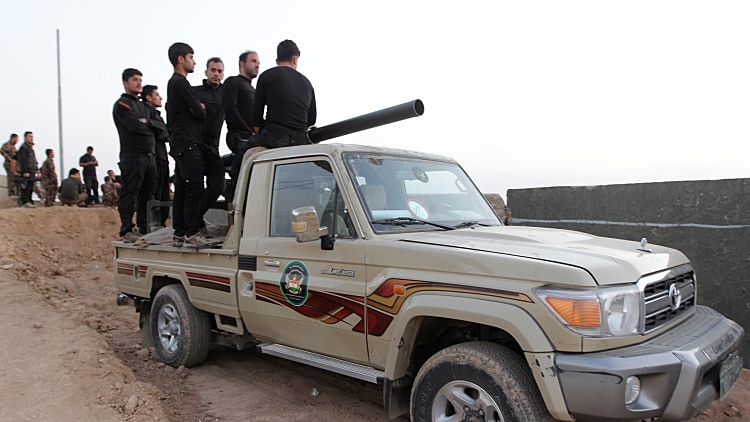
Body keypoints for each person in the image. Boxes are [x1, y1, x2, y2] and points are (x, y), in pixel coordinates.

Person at [166, 42, 209, 247]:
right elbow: (200, 112)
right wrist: (200, 108)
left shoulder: (175, 84)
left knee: (183, 188)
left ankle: (179, 232)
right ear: (181, 59)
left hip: (181, 143)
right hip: (187, 142)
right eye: (191, 57)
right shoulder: (180, 83)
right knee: (194, 187)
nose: (194, 62)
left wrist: (197, 108)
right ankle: (192, 233)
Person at [112, 68, 158, 242]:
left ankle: (144, 228)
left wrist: (149, 123)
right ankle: (127, 229)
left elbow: (162, 129)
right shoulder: (122, 105)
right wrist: (150, 126)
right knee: (130, 193)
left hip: (150, 156)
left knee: (148, 195)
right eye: (134, 79)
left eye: (140, 79)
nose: (138, 83)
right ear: (125, 83)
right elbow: (135, 127)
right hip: (132, 156)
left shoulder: (146, 107)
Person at [250, 40, 316, 149]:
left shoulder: (266, 76)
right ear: (295, 59)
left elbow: (256, 117)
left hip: (273, 137)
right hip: (300, 140)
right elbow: (311, 120)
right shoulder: (307, 84)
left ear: (277, 61)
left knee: (242, 153)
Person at [192, 57, 226, 225]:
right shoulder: (194, 92)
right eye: (213, 70)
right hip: (195, 146)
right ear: (206, 72)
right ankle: (192, 224)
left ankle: (195, 217)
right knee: (193, 189)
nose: (216, 74)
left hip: (213, 147)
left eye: (219, 71)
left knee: (218, 185)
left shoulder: (226, 93)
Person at [223, 50, 260, 188]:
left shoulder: (254, 91)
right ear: (242, 63)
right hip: (239, 136)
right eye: (253, 61)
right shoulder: (233, 82)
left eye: (258, 62)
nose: (257, 65)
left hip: (253, 138)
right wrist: (247, 132)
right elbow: (230, 109)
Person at [141, 84, 171, 226]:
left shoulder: (155, 115)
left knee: (163, 193)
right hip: (154, 158)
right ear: (148, 97)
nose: (160, 98)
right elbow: (161, 132)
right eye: (157, 95)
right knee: (154, 193)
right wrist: (156, 126)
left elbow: (165, 133)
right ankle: (150, 225)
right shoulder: (145, 112)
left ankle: (160, 223)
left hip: (162, 157)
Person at [16, 131, 39, 208]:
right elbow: (22, 160)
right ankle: (25, 201)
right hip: (26, 172)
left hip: (32, 171)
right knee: (26, 187)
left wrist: (37, 169)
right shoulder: (23, 148)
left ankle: (29, 200)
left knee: (31, 186)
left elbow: (33, 160)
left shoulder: (30, 148)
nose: (31, 138)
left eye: (32, 137)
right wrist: (25, 171)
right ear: (25, 138)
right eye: (29, 136)